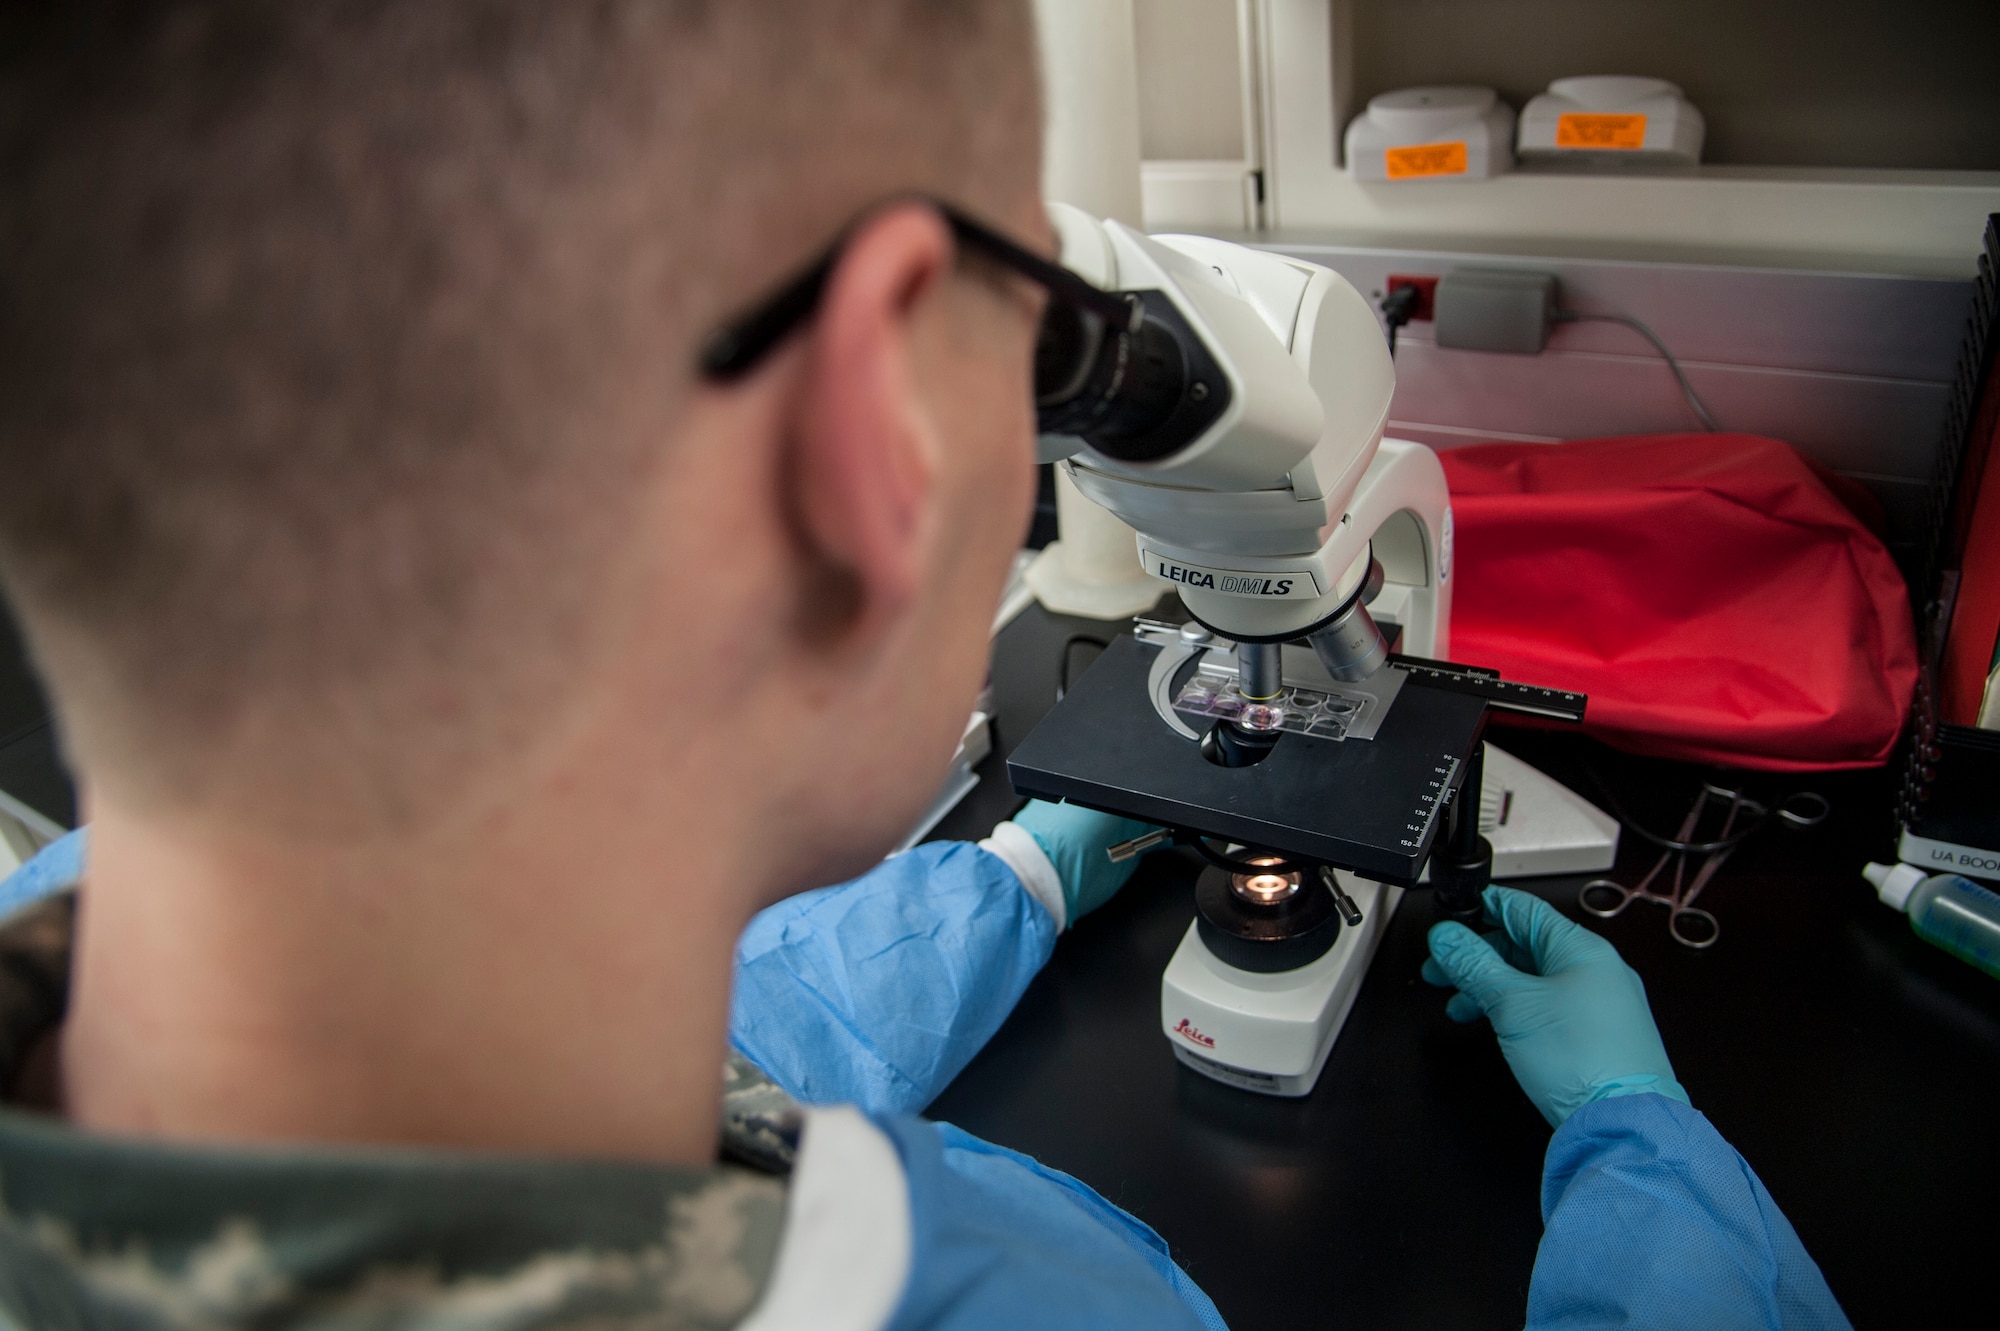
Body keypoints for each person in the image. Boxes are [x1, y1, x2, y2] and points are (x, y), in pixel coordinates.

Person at [0, 3, 1848, 1328]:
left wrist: (1024, 876)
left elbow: (736, 1050)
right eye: (1039, 356)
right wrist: (1646, 1156)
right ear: (875, 429)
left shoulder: (117, 950)